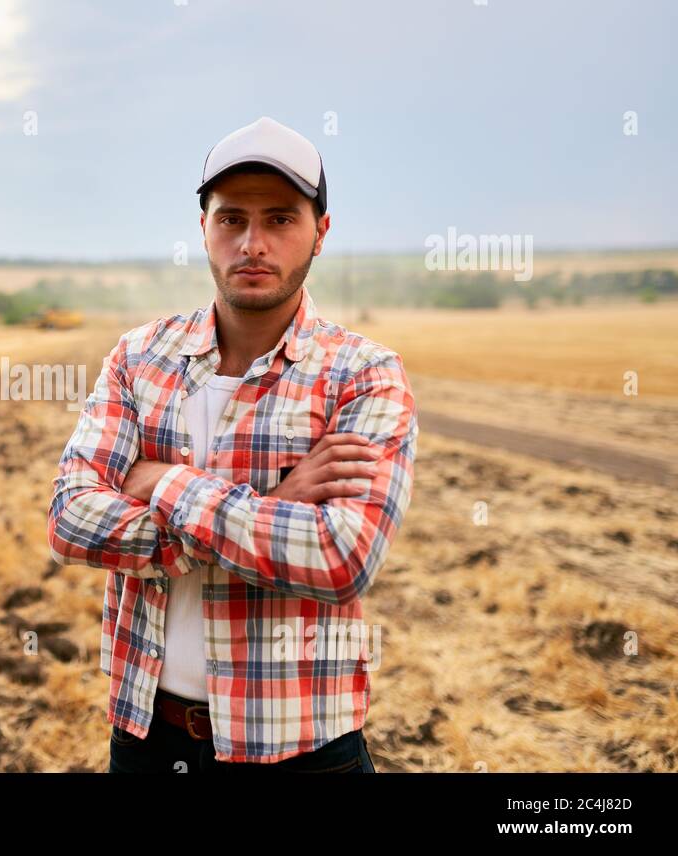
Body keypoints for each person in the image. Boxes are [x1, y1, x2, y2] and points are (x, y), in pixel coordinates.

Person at [46, 116, 417, 773]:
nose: (253, 244)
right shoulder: (140, 358)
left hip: (302, 753)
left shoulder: (362, 375)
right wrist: (273, 504)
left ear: (320, 233)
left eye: (279, 220)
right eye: (231, 220)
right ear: (203, 229)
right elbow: (71, 522)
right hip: (147, 743)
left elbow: (339, 559)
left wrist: (163, 483)